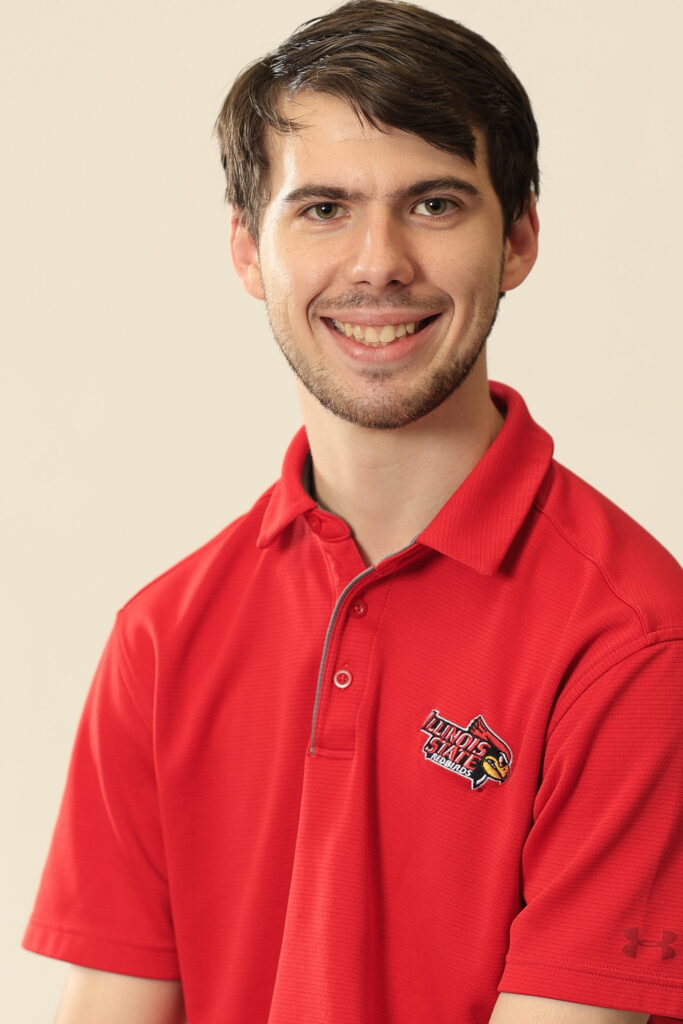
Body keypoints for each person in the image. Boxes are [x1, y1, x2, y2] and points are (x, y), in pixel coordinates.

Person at [23, 1, 683, 1022]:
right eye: (323, 207)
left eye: (433, 203)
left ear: (516, 239)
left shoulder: (632, 640)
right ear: (249, 250)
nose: (378, 262)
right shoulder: (160, 640)